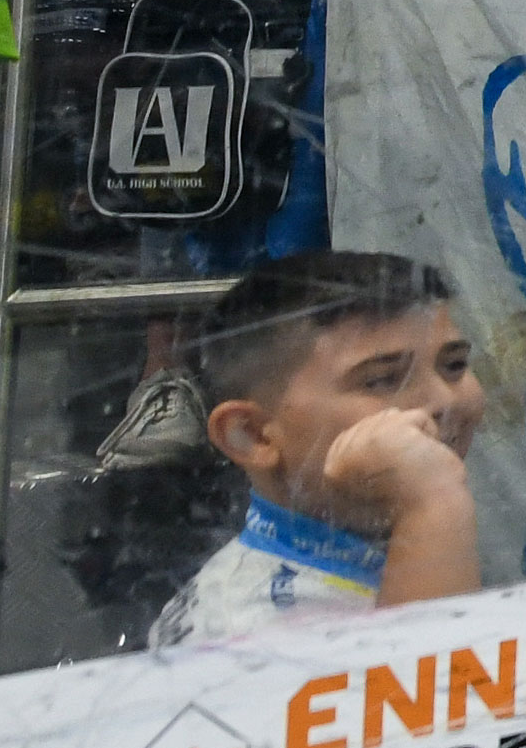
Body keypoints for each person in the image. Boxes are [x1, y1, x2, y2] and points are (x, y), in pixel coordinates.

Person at [156, 249, 489, 641]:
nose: (444, 402)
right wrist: (435, 504)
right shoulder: (254, 627)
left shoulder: (370, 544)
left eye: (453, 366)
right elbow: (433, 695)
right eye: (381, 380)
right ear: (252, 434)